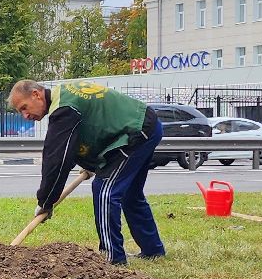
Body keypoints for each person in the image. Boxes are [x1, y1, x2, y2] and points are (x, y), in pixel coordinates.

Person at [10, 79, 165, 265]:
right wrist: (91, 164)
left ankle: (111, 258)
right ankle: (153, 250)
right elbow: (90, 129)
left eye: (24, 108)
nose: (25, 116)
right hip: (146, 124)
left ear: (36, 94)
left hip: (136, 131)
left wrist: (46, 201)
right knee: (131, 195)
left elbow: (57, 159)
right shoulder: (64, 95)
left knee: (105, 190)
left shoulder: (64, 109)